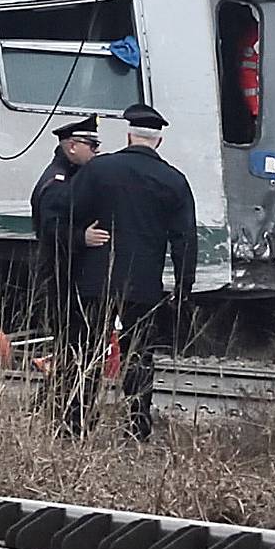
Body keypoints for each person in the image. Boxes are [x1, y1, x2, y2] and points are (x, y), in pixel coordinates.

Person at [67, 103, 198, 439]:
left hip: (96, 279)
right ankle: (137, 425)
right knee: (139, 354)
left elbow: (67, 212)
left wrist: (79, 241)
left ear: (129, 135)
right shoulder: (173, 181)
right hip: (143, 284)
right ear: (159, 141)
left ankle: (77, 422)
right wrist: (184, 286)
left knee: (88, 350)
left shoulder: (98, 170)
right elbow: (185, 239)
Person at [31, 115, 99, 428]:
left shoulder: (68, 176)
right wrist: (80, 238)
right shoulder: (57, 183)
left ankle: (52, 404)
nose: (96, 151)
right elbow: (51, 229)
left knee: (71, 346)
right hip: (63, 275)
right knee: (72, 345)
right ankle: (64, 410)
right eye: (92, 145)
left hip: (67, 272)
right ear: (72, 146)